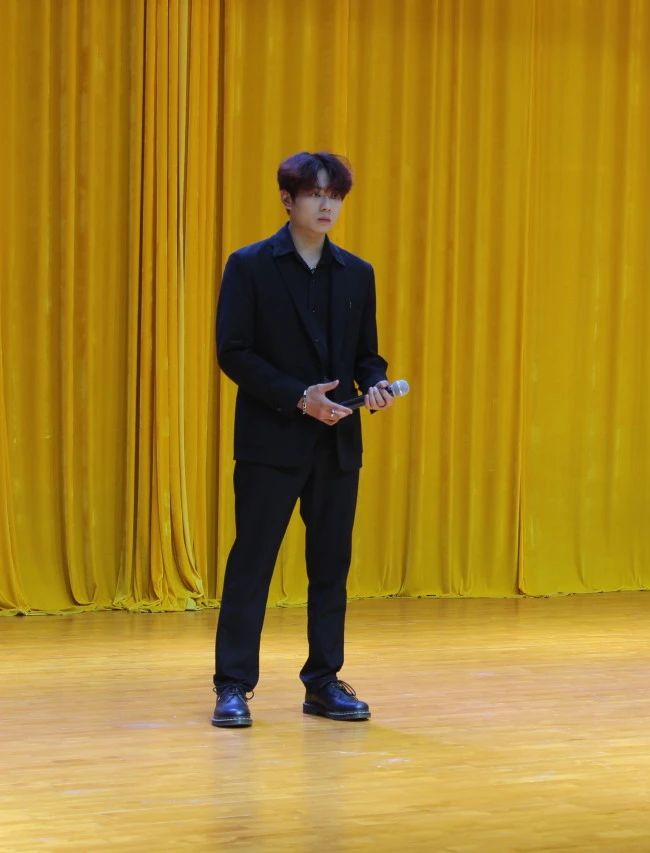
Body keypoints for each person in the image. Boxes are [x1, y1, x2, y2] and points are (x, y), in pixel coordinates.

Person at [211, 151, 395, 726]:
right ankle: (232, 685)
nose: (326, 205)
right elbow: (233, 352)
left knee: (330, 566)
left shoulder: (358, 273)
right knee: (252, 562)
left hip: (337, 444)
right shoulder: (249, 266)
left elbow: (367, 354)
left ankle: (324, 682)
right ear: (287, 199)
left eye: (334, 196)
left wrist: (376, 383)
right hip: (270, 442)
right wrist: (299, 397)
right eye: (315, 194)